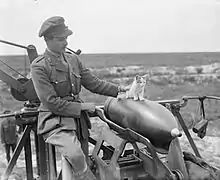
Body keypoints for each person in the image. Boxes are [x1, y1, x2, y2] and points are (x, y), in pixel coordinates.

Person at [30, 16, 128, 180]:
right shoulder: (39, 66)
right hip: (55, 122)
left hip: (77, 122)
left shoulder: (73, 59)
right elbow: (51, 102)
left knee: (82, 161)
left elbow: (93, 83)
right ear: (47, 40)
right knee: (76, 157)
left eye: (66, 38)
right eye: (61, 39)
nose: (66, 43)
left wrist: (120, 90)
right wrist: (83, 107)